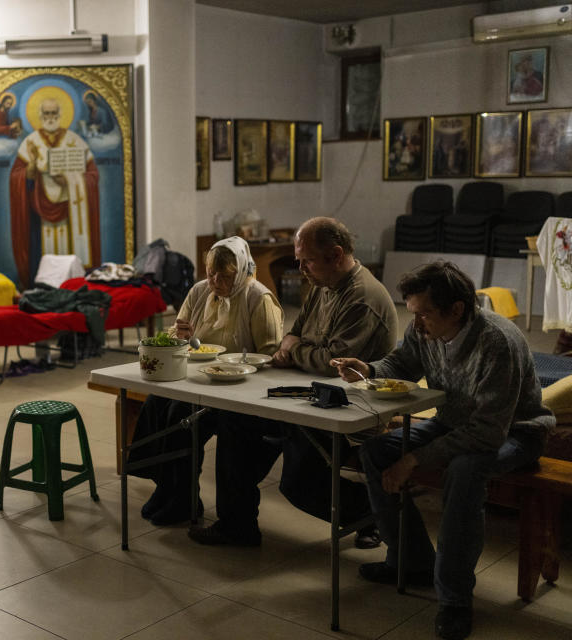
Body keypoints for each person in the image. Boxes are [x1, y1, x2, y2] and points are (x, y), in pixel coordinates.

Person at [333, 261, 554, 640]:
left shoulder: (497, 341)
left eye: (424, 315)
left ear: (457, 309)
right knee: (374, 452)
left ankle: (454, 600)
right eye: (414, 314)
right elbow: (402, 363)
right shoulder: (426, 326)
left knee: (464, 471)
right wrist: (368, 370)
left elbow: (487, 432)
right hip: (455, 421)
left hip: (515, 431)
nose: (416, 325)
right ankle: (411, 561)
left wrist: (414, 459)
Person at [189, 217, 398, 547]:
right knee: (234, 420)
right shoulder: (322, 284)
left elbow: (332, 364)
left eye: (307, 260)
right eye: (299, 260)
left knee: (298, 483)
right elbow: (293, 332)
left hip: (348, 406)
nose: (301, 268)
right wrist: (297, 346)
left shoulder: (362, 297)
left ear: (336, 254)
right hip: (303, 392)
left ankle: (373, 511)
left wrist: (296, 348)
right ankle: (236, 524)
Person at [129, 236, 284, 526]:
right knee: (154, 404)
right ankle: (167, 487)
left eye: (223, 276)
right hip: (195, 379)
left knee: (180, 416)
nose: (214, 281)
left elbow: (271, 356)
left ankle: (185, 499)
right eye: (210, 273)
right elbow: (177, 334)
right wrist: (182, 336)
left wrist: (238, 366)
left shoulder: (257, 298)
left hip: (237, 388)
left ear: (239, 272)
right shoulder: (200, 291)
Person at [9, 97, 100, 287]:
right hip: (40, 214)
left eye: (53, 113)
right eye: (47, 113)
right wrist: (31, 169)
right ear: (41, 116)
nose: (50, 117)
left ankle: (73, 287)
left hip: (71, 212)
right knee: (44, 256)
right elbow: (17, 176)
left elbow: (92, 175)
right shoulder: (30, 143)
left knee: (70, 260)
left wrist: (69, 180)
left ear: (60, 115)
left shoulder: (75, 141)